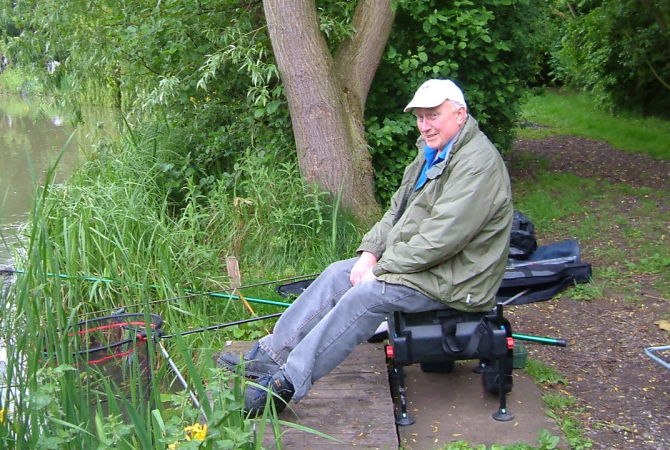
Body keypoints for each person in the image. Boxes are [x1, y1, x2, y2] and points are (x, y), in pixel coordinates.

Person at [218, 79, 514, 416]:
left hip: (457, 279)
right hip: (425, 267)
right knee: (337, 274)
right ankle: (270, 355)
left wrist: (381, 271)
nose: (426, 125)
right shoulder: (431, 152)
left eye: (434, 115)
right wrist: (370, 254)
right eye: (420, 117)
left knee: (365, 296)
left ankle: (286, 384)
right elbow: (395, 213)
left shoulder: (477, 164)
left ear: (460, 114)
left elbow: (441, 240)